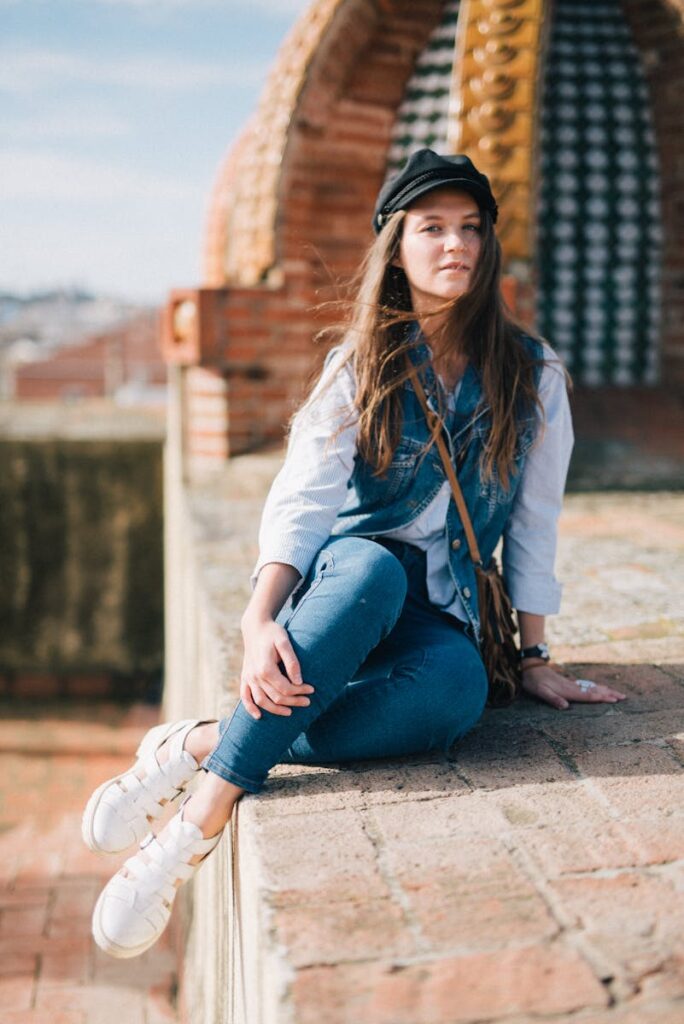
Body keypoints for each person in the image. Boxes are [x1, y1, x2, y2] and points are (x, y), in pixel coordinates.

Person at [82, 149, 627, 959]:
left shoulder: (534, 374)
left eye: (471, 228)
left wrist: (535, 655)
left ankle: (197, 743)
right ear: (397, 249)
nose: (456, 244)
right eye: (432, 228)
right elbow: (303, 499)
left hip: (440, 611)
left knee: (458, 694)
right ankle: (199, 822)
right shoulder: (363, 364)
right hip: (350, 589)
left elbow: (535, 519)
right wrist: (260, 618)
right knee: (372, 567)